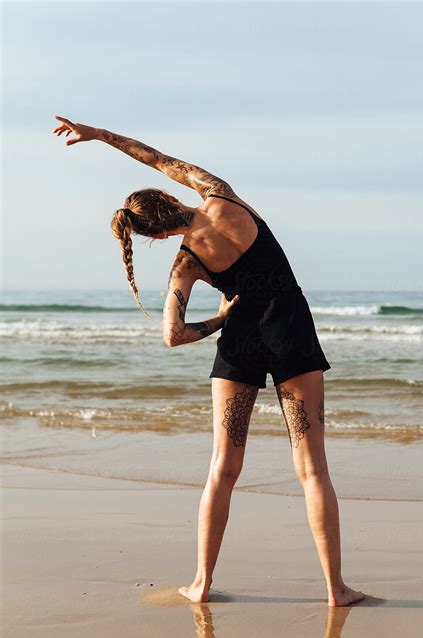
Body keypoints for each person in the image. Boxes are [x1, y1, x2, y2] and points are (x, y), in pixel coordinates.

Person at [52, 115, 365, 607]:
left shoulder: (185, 261)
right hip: (291, 334)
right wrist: (97, 134)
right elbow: (155, 156)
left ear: (155, 236)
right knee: (311, 469)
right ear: (172, 197)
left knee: (223, 468)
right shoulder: (221, 195)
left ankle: (200, 583)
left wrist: (219, 320)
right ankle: (336, 590)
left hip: (239, 342)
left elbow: (172, 334)